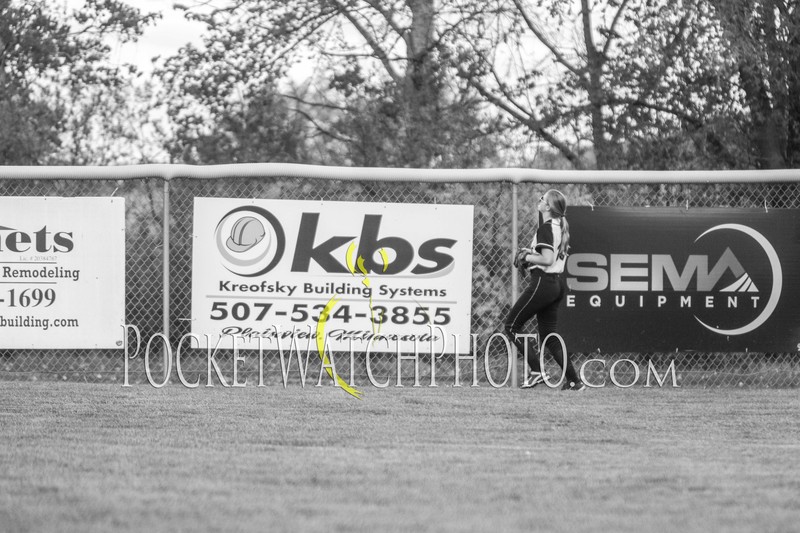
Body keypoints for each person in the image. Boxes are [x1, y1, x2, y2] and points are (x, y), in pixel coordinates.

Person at [504, 189, 584, 390]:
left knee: (512, 326)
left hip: (543, 282)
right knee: (549, 336)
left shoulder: (547, 228)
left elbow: (547, 259)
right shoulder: (559, 226)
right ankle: (575, 381)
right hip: (556, 284)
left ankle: (537, 371)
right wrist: (531, 254)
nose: (539, 201)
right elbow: (550, 257)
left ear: (548, 207)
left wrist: (526, 257)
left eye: (542, 199)